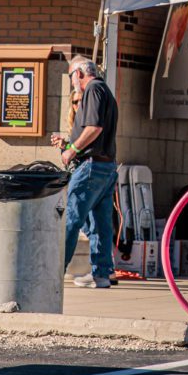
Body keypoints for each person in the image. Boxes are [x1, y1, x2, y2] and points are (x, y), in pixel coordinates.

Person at [61, 56, 120, 288]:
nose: (72, 82)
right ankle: (102, 274)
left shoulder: (93, 90)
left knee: (71, 219)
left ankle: (55, 270)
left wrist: (72, 150)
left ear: (78, 74)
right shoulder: (105, 91)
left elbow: (94, 128)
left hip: (91, 166)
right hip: (106, 166)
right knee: (100, 223)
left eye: (70, 76)